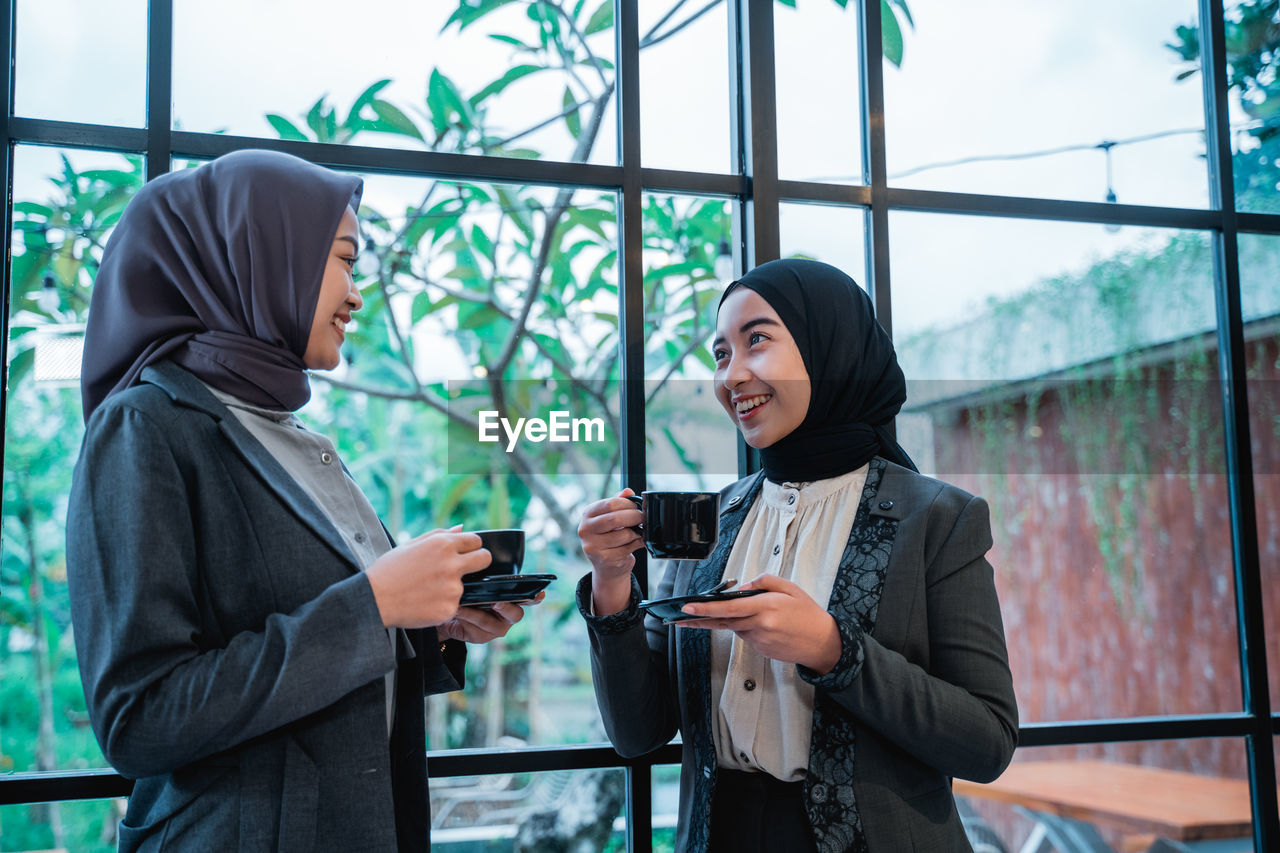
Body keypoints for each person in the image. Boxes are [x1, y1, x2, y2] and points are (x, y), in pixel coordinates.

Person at [66, 149, 534, 852]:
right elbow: (141, 716)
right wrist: (373, 604)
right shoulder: (144, 426)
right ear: (260, 253)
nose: (356, 294)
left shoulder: (299, 440)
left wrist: (426, 629)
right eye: (344, 260)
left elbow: (316, 643)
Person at [576, 259, 1018, 852]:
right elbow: (638, 734)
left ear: (828, 345)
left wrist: (833, 650)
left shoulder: (937, 519)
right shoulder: (708, 521)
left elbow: (986, 742)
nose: (732, 376)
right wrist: (612, 582)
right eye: (720, 354)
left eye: (756, 339)